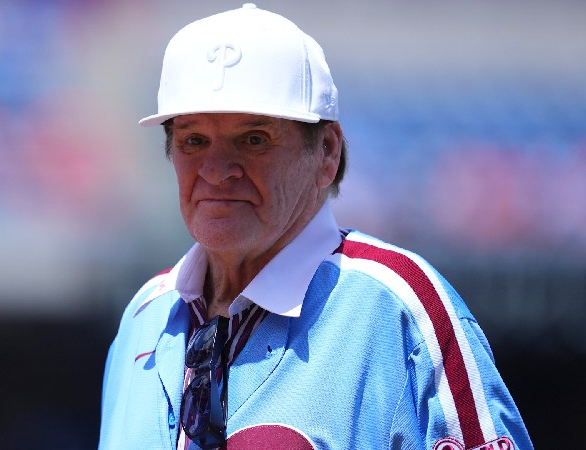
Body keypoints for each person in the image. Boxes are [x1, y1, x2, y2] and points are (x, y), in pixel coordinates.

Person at [99, 4, 533, 450]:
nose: (216, 169)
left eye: (253, 139)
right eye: (194, 140)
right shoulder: (144, 317)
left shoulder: (402, 308)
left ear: (326, 151)